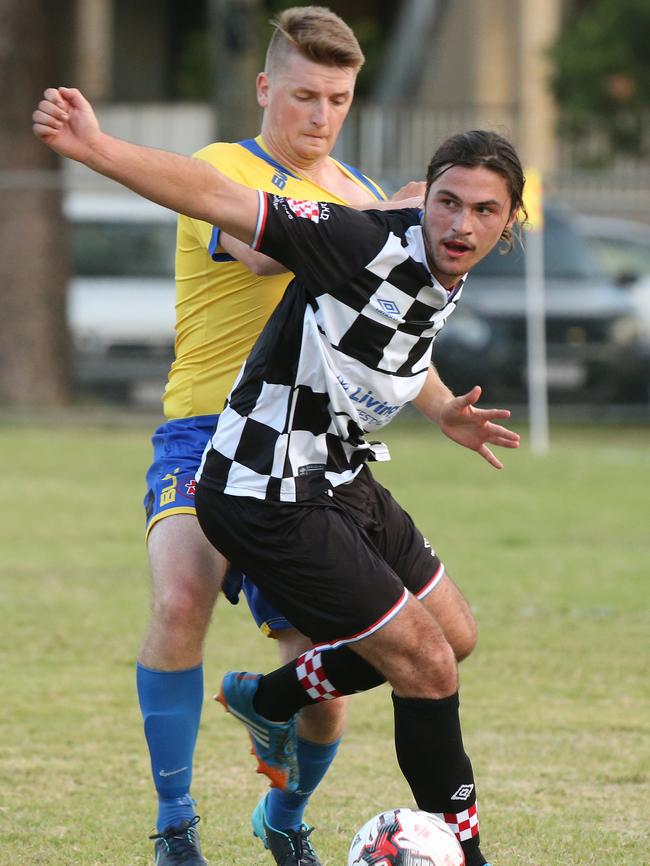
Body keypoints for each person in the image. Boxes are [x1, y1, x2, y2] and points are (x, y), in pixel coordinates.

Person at [33, 79, 525, 866]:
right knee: (424, 664)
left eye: (484, 210)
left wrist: (442, 410)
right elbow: (216, 196)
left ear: (510, 224)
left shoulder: (446, 265)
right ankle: (465, 854)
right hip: (262, 487)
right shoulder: (359, 237)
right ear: (422, 201)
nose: (461, 223)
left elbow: (391, 342)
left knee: (454, 636)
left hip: (338, 474)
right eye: (448, 202)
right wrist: (96, 149)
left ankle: (269, 698)